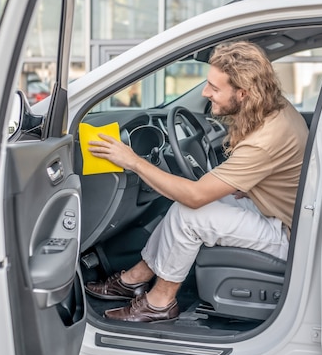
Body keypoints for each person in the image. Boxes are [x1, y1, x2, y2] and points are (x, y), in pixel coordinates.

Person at [85, 41, 308, 322]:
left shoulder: (266, 139)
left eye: (214, 89)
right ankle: (134, 280)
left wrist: (133, 161)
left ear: (243, 93)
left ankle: (159, 303)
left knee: (190, 213)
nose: (205, 93)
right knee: (191, 206)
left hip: (288, 234)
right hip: (280, 211)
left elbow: (194, 196)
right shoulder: (273, 107)